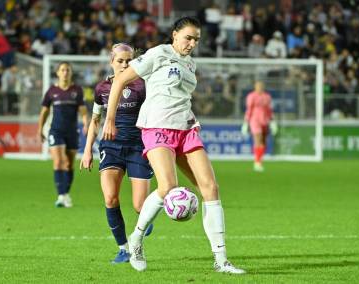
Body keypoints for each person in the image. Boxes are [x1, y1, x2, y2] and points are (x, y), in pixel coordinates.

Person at [102, 16, 245, 274]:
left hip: (186, 128)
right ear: (175, 34)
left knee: (210, 188)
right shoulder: (158, 54)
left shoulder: (191, 64)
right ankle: (136, 239)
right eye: (188, 37)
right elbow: (121, 80)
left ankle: (221, 260)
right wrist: (109, 119)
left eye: (196, 40)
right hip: (157, 127)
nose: (191, 43)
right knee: (168, 186)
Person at [79, 43, 154, 264]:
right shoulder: (102, 88)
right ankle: (123, 248)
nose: (124, 64)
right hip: (111, 147)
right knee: (110, 198)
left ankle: (143, 225)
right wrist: (87, 150)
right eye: (120, 60)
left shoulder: (143, 85)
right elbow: (95, 121)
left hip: (138, 147)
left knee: (141, 206)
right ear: (111, 61)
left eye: (129, 61)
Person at [37, 62, 88, 207]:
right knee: (58, 161)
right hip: (56, 130)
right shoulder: (52, 91)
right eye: (62, 70)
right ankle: (61, 195)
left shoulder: (77, 90)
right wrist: (40, 129)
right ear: (58, 73)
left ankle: (66, 194)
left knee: (69, 164)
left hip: (72, 131)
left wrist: (86, 123)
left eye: (67, 70)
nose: (65, 72)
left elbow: (83, 110)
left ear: (71, 73)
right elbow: (44, 111)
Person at [241, 81, 277, 172]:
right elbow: (249, 109)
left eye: (261, 86)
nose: (260, 87)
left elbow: (269, 110)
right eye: (258, 86)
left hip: (264, 121)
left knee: (263, 142)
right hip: (255, 120)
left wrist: (272, 121)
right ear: (255, 87)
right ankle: (257, 162)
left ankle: (259, 161)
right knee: (258, 139)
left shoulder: (267, 97)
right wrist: (246, 122)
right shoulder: (251, 96)